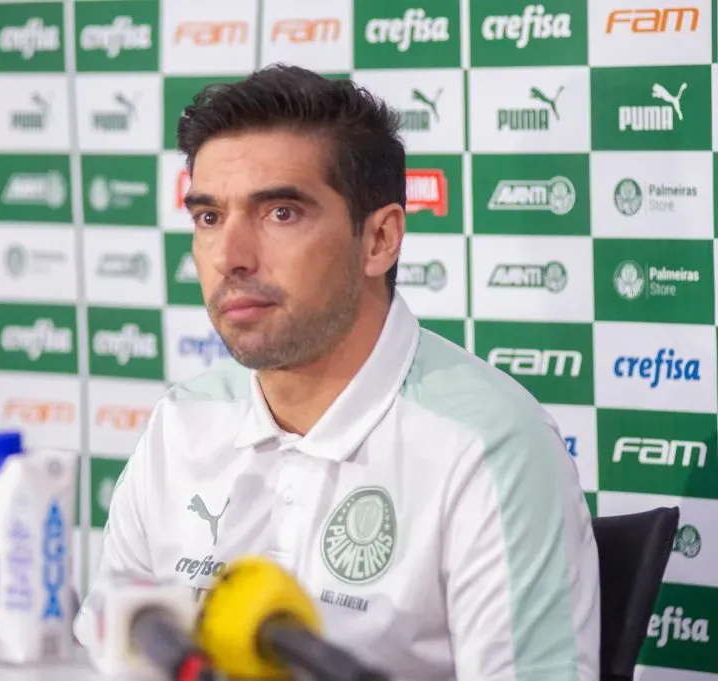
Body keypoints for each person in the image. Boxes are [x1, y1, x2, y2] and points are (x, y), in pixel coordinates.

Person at [74, 64, 600, 681]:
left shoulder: (488, 447)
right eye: (209, 217)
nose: (231, 258)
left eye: (280, 214)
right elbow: (106, 659)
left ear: (380, 239)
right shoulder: (182, 423)